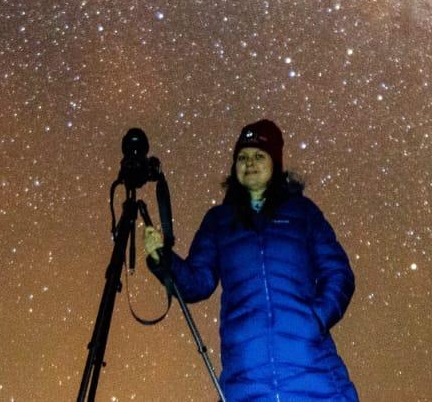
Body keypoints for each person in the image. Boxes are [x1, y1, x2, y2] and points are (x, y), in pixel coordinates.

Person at [144, 119, 359, 402]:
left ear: (275, 162)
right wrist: (164, 260)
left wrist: (315, 319)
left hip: (313, 374)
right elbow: (198, 283)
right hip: (245, 379)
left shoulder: (302, 213)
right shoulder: (219, 221)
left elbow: (339, 273)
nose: (250, 162)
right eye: (242, 157)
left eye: (259, 155)